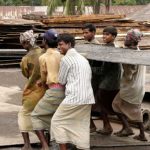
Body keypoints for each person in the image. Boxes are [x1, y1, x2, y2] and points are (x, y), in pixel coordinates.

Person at [51, 33, 95, 150]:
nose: (59, 47)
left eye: (61, 45)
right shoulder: (82, 58)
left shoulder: (66, 59)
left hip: (75, 98)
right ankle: (83, 147)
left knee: (57, 122)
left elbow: (61, 81)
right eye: (58, 45)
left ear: (69, 44)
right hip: (88, 98)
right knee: (81, 125)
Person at [31, 29, 65, 150]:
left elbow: (44, 76)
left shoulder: (44, 57)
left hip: (53, 91)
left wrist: (42, 84)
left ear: (45, 41)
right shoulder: (62, 54)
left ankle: (45, 146)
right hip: (65, 90)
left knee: (35, 116)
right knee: (56, 116)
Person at [112, 29, 147, 141]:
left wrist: (122, 61)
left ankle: (141, 134)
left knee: (135, 111)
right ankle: (127, 128)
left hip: (132, 87)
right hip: (136, 86)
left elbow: (129, 76)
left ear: (132, 40)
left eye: (127, 37)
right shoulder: (137, 51)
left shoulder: (131, 56)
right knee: (117, 104)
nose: (125, 39)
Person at [18, 30, 46, 150]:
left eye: (23, 43)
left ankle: (27, 144)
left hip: (32, 90)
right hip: (46, 89)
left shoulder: (26, 58)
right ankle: (46, 141)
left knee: (23, 115)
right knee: (41, 116)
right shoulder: (44, 52)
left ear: (26, 43)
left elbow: (26, 74)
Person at [97, 26, 121, 135]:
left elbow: (103, 70)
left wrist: (89, 67)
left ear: (114, 36)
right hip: (114, 82)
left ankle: (107, 127)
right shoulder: (115, 47)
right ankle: (122, 126)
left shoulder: (109, 50)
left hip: (107, 83)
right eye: (103, 34)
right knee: (112, 106)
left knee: (103, 105)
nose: (104, 36)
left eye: (107, 34)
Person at [82, 23, 101, 132]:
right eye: (83, 33)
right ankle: (91, 125)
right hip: (87, 78)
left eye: (86, 32)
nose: (84, 35)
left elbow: (97, 66)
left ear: (93, 33)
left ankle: (92, 126)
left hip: (92, 79)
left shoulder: (96, 46)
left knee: (88, 103)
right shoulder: (85, 44)